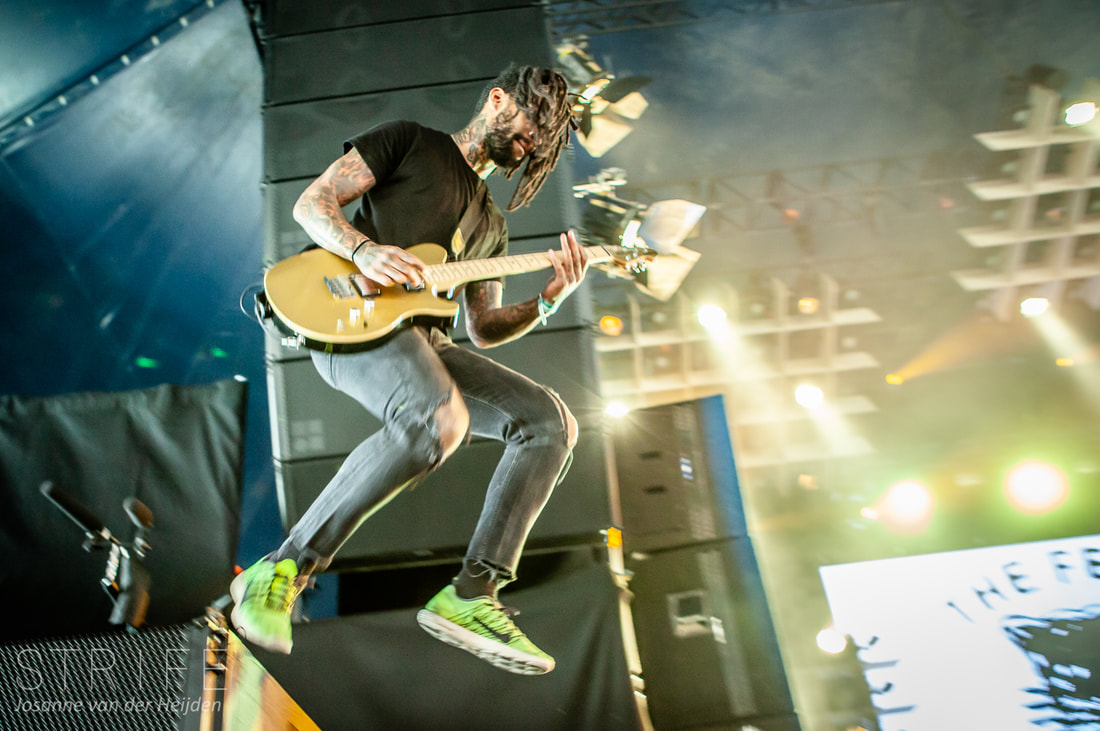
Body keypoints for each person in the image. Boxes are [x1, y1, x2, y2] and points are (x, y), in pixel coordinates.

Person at [231, 65, 587, 676]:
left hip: (426, 341)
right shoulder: (410, 141)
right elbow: (312, 203)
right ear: (497, 99)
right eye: (532, 125)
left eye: (542, 143)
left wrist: (549, 301)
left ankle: (472, 594)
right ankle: (285, 567)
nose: (532, 143)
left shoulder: (492, 227)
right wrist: (364, 250)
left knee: (551, 424)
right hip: (349, 315)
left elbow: (484, 327)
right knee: (437, 420)